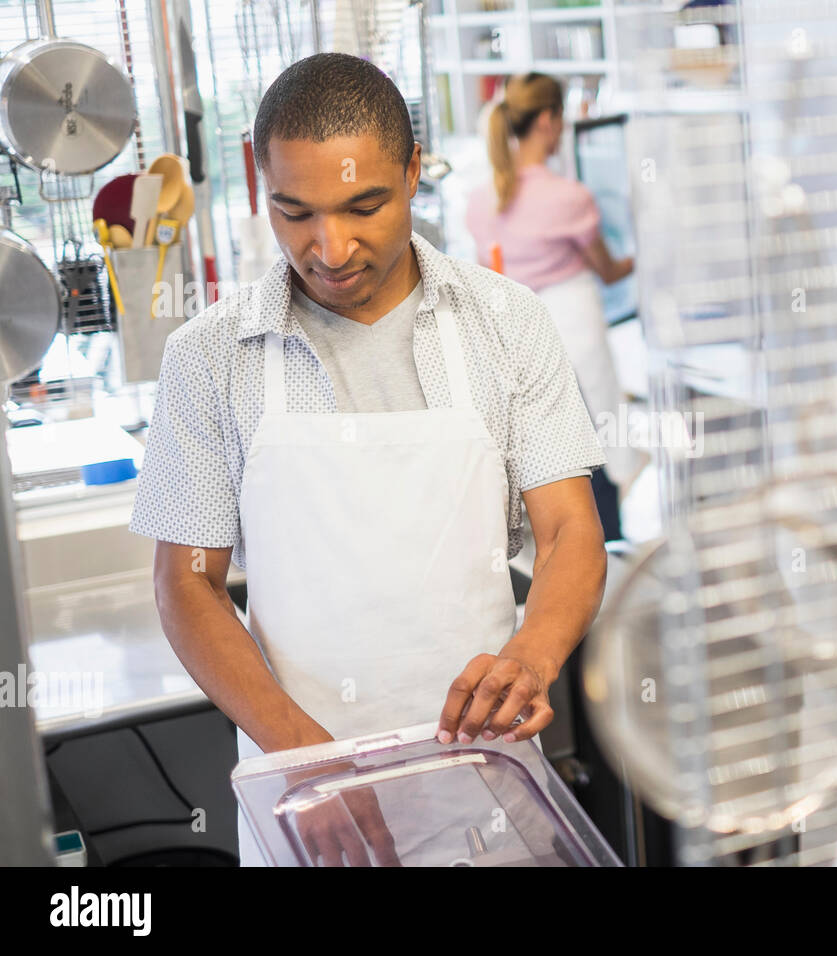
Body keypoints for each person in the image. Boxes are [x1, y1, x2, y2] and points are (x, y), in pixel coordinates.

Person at [128, 53, 609, 866]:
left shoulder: (505, 322)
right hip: (305, 803)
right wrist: (311, 767)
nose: (332, 246)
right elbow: (190, 583)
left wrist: (533, 656)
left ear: (414, 172)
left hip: (487, 795)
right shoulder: (210, 355)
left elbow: (569, 533)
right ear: (258, 185)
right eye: (295, 212)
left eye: (365, 206)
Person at [465, 73, 645, 539]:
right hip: (576, 333)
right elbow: (608, 271)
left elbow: (490, 276)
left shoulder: (482, 201)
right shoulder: (569, 197)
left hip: (518, 346)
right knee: (600, 452)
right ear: (547, 121)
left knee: (552, 459)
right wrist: (647, 254)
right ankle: (610, 548)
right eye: (561, 119)